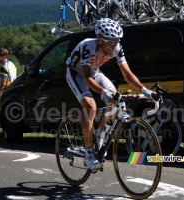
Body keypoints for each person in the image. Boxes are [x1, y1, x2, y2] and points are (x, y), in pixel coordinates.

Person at [66, 18, 156, 170]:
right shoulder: (87, 46)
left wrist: (145, 90)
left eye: (116, 42)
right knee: (90, 106)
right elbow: (87, 77)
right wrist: (102, 93)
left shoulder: (116, 47)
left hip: (95, 72)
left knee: (116, 99)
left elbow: (127, 74)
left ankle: (100, 137)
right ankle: (88, 153)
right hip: (77, 74)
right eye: (110, 42)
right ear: (99, 39)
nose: (113, 46)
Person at [0, 48, 17, 136]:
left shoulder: (3, 67)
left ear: (4, 57)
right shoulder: (11, 64)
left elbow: (2, 84)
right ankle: (3, 130)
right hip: (13, 89)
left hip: (6, 90)